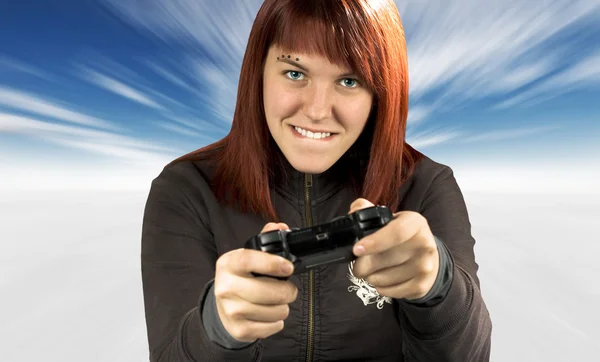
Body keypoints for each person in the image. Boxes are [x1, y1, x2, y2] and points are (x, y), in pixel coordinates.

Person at [140, 0, 493, 361]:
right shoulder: (186, 189)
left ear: (382, 93)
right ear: (258, 71)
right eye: (295, 73)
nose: (317, 110)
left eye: (349, 80)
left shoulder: (427, 185)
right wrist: (218, 329)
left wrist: (438, 286)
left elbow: (471, 356)